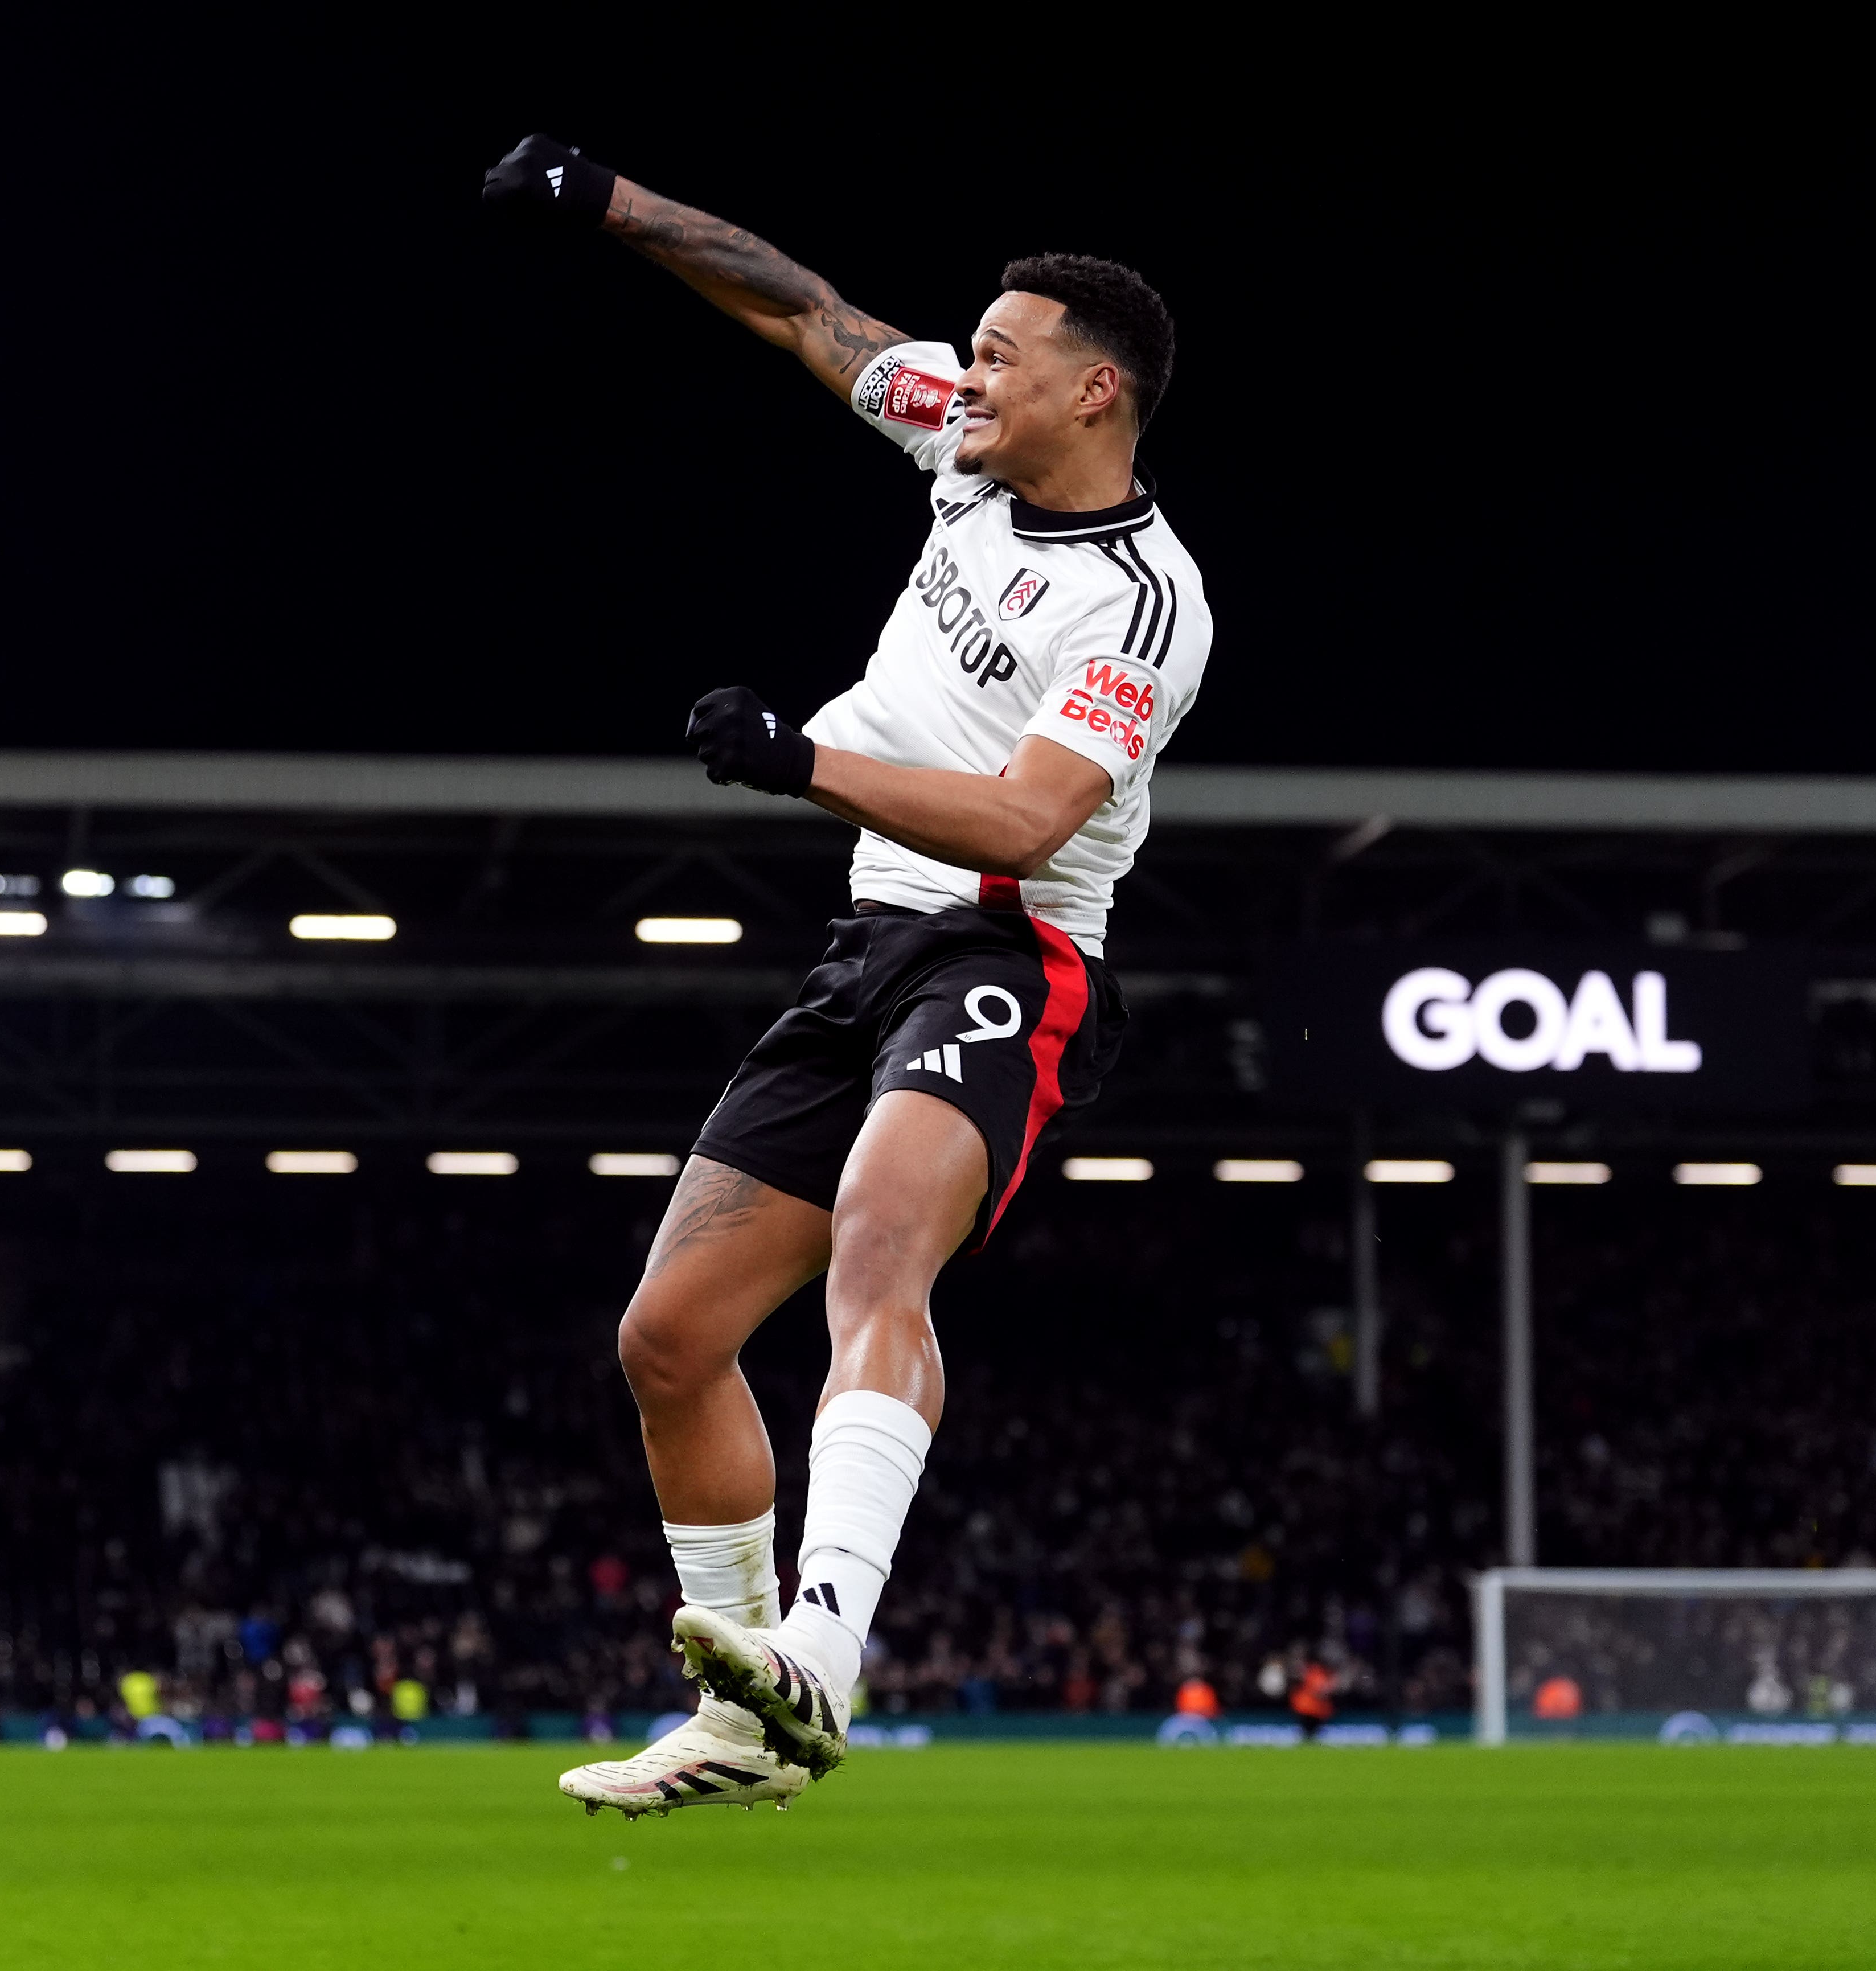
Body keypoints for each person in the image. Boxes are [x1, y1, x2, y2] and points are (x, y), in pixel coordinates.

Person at [481, 134, 1212, 1816]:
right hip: (867, 945)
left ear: (1094, 393)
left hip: (1010, 953)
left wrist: (801, 756)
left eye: (1005, 353)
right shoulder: (964, 457)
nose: (969, 371)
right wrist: (607, 203)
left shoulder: (1145, 604)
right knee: (667, 1335)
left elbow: (1032, 817)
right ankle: (744, 1725)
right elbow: (801, 307)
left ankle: (826, 1646)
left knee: (882, 1241)